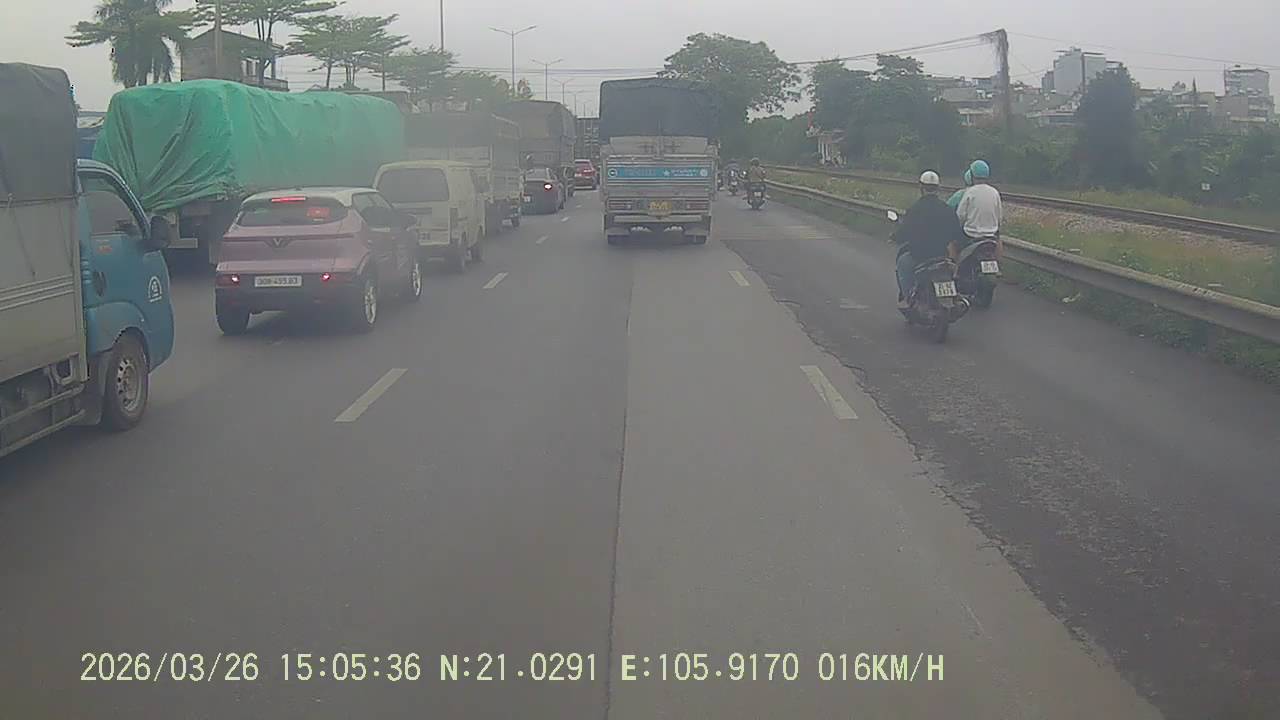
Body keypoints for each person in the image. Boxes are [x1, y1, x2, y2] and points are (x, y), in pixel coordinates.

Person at [894, 171, 964, 308]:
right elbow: (957, 233)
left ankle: (909, 299)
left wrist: (895, 237)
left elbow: (904, 231)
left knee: (902, 264)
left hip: (919, 256)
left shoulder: (915, 209)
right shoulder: (947, 209)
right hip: (942, 255)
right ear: (937, 188)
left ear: (921, 187)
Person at [956, 159, 1003, 258]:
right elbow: (999, 217)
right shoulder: (995, 192)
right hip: (991, 237)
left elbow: (960, 216)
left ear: (972, 176)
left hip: (971, 236)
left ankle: (956, 266)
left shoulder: (969, 192)